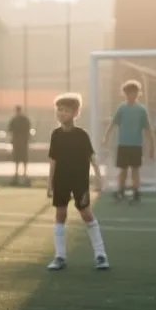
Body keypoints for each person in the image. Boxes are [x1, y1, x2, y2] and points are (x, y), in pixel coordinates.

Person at [46, 93, 109, 271]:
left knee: (86, 214)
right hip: (61, 181)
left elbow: (92, 157)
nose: (61, 113)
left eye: (66, 110)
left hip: (79, 181)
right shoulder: (56, 135)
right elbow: (53, 160)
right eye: (59, 110)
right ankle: (59, 257)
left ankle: (101, 255)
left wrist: (99, 177)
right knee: (60, 214)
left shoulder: (81, 135)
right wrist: (50, 183)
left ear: (75, 113)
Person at [101, 80, 152, 203]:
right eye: (128, 93)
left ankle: (136, 191)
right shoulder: (122, 108)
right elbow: (113, 123)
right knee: (123, 169)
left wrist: (152, 146)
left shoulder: (141, 110)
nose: (131, 95)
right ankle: (121, 191)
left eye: (134, 92)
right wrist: (106, 137)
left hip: (136, 145)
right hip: (123, 144)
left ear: (138, 93)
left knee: (135, 169)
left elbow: (147, 128)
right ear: (124, 94)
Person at [7, 105, 32, 185]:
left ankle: (20, 174)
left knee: (20, 158)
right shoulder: (24, 119)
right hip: (21, 142)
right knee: (20, 158)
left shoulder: (16, 120)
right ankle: (20, 174)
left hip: (19, 142)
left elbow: (10, 130)